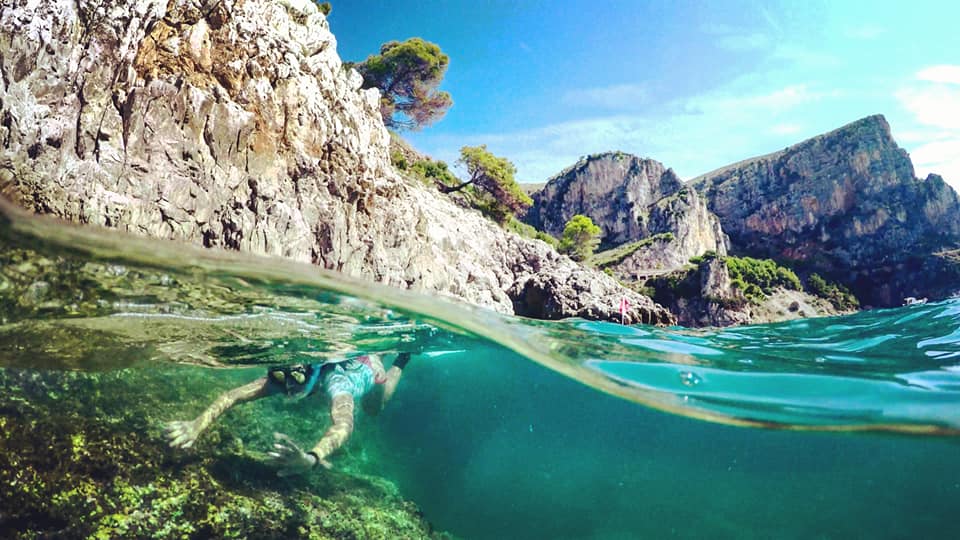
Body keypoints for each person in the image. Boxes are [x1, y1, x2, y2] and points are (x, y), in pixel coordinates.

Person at [164, 352, 411, 476]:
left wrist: (312, 458)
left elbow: (344, 426)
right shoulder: (285, 375)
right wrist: (197, 424)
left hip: (368, 368)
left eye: (295, 378)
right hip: (339, 363)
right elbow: (233, 396)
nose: (288, 387)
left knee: (373, 409)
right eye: (280, 376)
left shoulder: (339, 383)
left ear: (310, 372)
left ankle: (401, 358)